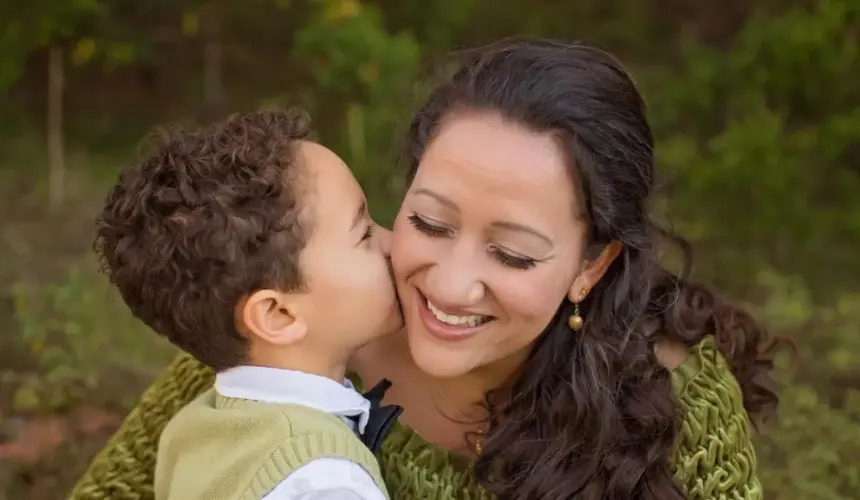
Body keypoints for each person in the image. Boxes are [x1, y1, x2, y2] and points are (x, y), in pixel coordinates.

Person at [71, 38, 787, 500]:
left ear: (590, 266)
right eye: (429, 222)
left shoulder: (675, 398)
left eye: (511, 254)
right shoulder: (291, 346)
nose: (446, 284)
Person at [92, 109, 404, 499]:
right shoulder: (325, 483)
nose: (394, 243)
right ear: (277, 315)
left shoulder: (191, 431)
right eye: (365, 235)